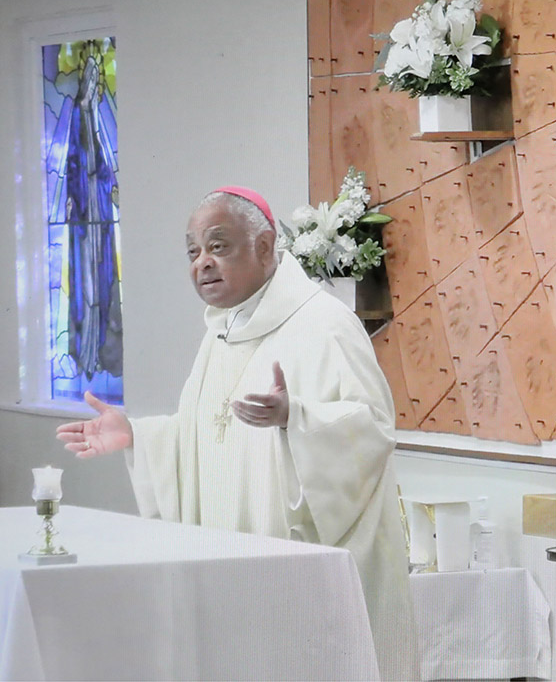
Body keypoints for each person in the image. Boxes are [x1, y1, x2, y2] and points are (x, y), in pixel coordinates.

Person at [56, 186, 419, 681]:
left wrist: (298, 416)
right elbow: (205, 439)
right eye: (193, 251)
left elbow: (372, 429)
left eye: (218, 246)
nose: (202, 263)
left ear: (266, 246)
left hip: (301, 584)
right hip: (234, 576)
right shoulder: (220, 335)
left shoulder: (326, 324)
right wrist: (138, 437)